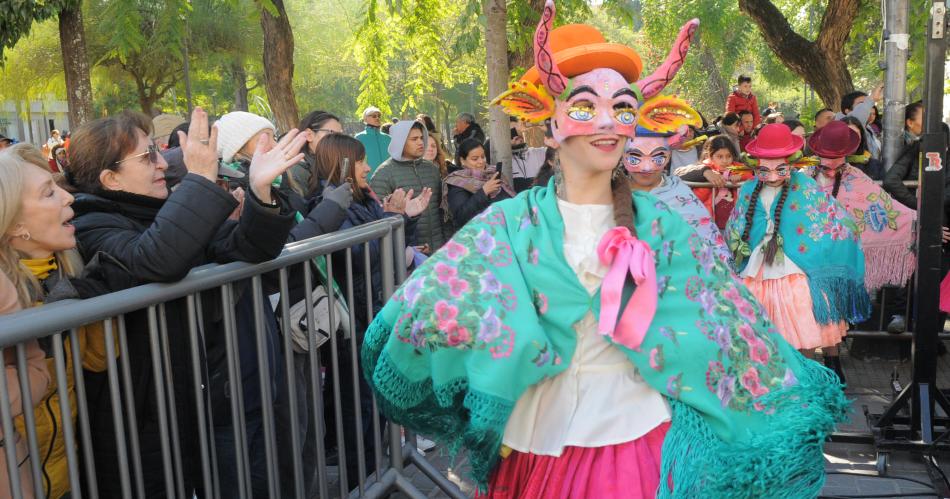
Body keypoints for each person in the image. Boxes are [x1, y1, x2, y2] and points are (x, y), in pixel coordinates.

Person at [364, 4, 848, 498]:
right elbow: (427, 310)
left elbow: (722, 318)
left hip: (635, 434)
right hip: (539, 439)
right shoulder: (507, 226)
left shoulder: (662, 227)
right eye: (582, 107)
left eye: (621, 108)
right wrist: (499, 344)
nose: (608, 123)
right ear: (547, 122)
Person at [65, 107, 302, 498]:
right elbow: (155, 259)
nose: (161, 163)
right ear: (110, 177)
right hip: (138, 410)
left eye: (157, 151)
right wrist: (198, 179)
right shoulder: (92, 222)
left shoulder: (164, 210)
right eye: (148, 157)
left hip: (189, 395)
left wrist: (260, 192)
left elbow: (247, 248)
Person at [1, 144, 125, 499]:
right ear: (14, 223)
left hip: (65, 473)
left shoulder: (67, 271)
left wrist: (98, 299)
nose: (68, 199)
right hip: (17, 478)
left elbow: (97, 361)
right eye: (49, 193)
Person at [726, 124, 870, 381]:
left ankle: (806, 384)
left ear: (790, 162)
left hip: (797, 267)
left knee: (802, 329)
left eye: (780, 169)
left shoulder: (804, 186)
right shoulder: (748, 189)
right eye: (763, 170)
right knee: (759, 331)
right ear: (756, 165)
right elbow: (735, 226)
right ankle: (769, 384)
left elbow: (833, 220)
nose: (772, 177)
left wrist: (823, 248)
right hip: (756, 267)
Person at [806, 120, 916, 292]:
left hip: (843, 262)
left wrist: (924, 224)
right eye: (825, 160)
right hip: (805, 262)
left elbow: (889, 209)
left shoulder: (856, 177)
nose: (831, 168)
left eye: (837, 159)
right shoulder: (802, 178)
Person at [626, 98, 733, 264]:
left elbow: (714, 253)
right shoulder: (609, 195)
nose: (646, 168)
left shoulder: (681, 195)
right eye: (635, 158)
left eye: (657, 157)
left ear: (668, 155)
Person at [371, 120, 448, 253]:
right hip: (407, 254)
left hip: (439, 248)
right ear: (400, 142)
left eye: (421, 138)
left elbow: (442, 210)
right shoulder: (383, 174)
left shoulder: (431, 169)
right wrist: (409, 250)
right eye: (414, 139)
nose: (420, 142)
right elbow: (380, 221)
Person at [674, 134, 752, 229]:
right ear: (709, 156)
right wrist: (706, 174)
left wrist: (739, 176)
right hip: (710, 225)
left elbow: (749, 173)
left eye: (728, 156)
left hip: (734, 224)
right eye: (720, 156)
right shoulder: (703, 168)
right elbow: (678, 173)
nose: (725, 161)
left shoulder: (736, 168)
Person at [444, 138, 515, 228]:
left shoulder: (492, 173)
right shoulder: (457, 182)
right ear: (462, 160)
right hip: (480, 235)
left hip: (505, 229)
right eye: (475, 159)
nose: (481, 162)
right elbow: (460, 218)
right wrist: (484, 191)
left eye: (483, 156)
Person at [286, 110, 344, 196]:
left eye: (341, 136)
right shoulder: (297, 170)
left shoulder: (332, 164)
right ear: (309, 135)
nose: (339, 141)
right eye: (332, 133)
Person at [836, 85, 884, 159]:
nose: (868, 108)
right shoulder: (842, 129)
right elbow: (856, 118)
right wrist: (871, 99)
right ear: (847, 111)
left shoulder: (868, 128)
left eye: (869, 105)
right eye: (861, 105)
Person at [840, 116, 885, 180]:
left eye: (856, 134)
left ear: (861, 137)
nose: (852, 138)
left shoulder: (876, 166)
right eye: (847, 134)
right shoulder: (828, 167)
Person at [355, 106, 392, 173]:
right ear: (365, 119)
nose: (377, 118)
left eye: (379, 116)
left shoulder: (388, 138)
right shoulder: (359, 138)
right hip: (368, 179)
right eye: (374, 116)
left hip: (388, 178)